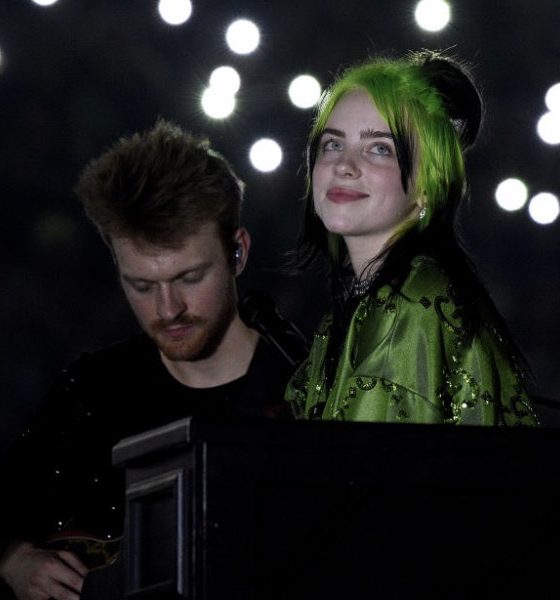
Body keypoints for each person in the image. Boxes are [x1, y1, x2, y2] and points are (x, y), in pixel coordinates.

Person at [0, 119, 302, 600]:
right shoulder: (91, 389)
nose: (168, 309)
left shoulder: (302, 387)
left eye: (190, 276)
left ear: (237, 252)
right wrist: (15, 558)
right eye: (141, 285)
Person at [285, 50, 538, 426]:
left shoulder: (414, 306)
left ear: (426, 185)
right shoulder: (366, 305)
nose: (344, 166)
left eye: (379, 149)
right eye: (333, 144)